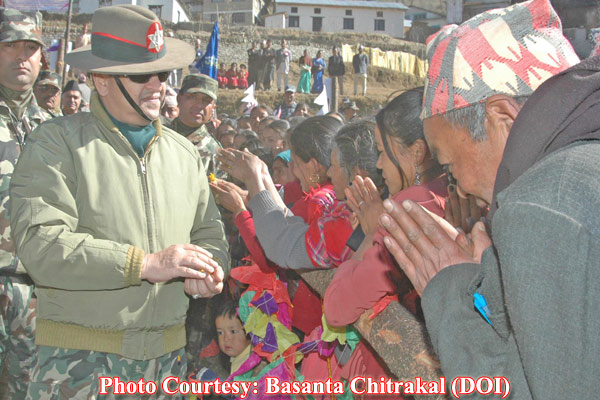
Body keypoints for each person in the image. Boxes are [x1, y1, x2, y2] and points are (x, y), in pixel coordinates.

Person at [10, 5, 229, 398]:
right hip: (80, 366)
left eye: (163, 73)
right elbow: (41, 246)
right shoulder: (56, 143)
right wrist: (143, 264)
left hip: (167, 365)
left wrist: (208, 269)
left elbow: (209, 232)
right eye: (142, 74)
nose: (157, 85)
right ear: (102, 80)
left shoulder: (184, 154)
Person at [378, 1, 589, 398]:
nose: (457, 189)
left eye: (449, 166)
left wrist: (453, 294)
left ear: (502, 117)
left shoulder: (539, 207)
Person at [324, 88, 446, 327]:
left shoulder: (409, 208)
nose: (379, 165)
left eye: (382, 151)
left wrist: (372, 233)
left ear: (417, 152)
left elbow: (336, 307)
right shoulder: (447, 190)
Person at [0, 8, 47, 399]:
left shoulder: (53, 128)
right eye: (10, 46)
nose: (21, 56)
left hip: (37, 289)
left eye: (30, 48)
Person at [169, 74, 225, 178]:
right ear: (179, 99)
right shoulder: (157, 137)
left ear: (213, 107)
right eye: (192, 97)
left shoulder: (216, 153)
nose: (199, 105)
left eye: (206, 100)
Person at [215, 302, 251, 375]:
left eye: (233, 331)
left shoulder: (249, 363)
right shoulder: (239, 357)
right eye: (220, 333)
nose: (226, 339)